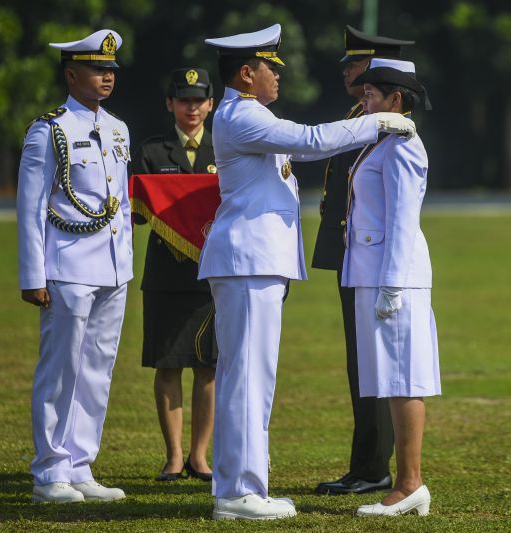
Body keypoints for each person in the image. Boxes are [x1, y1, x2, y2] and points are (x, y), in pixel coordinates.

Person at [198, 24, 417, 520]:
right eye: (271, 67)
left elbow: (303, 145)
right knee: (248, 379)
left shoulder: (252, 114)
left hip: (255, 263)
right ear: (247, 73)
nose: (279, 73)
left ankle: (245, 484)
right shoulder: (241, 115)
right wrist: (380, 122)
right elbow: (312, 139)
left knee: (252, 377)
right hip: (246, 261)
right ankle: (238, 493)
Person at [17, 29, 132, 503]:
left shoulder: (118, 128)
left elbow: (121, 204)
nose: (106, 77)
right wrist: (32, 275)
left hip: (111, 266)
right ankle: (50, 470)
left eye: (110, 70)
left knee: (97, 369)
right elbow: (30, 206)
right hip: (66, 264)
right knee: (61, 368)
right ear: (71, 74)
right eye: (96, 69)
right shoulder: (50, 129)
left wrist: (124, 260)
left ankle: (81, 463)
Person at [313, 25, 416, 497]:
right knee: (362, 366)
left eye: (357, 66)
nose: (349, 73)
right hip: (353, 253)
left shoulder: (388, 125)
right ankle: (366, 464)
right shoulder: (362, 115)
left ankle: (374, 466)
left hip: (372, 258)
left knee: (375, 366)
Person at [340, 58, 440, 517]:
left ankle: (409, 483)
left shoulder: (401, 145)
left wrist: (392, 285)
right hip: (373, 273)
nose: (364, 101)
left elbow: (403, 221)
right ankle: (407, 483)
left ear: (395, 100)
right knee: (390, 380)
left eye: (372, 95)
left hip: (391, 276)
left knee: (404, 379)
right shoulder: (379, 140)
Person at [131, 67, 217, 483]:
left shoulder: (226, 148)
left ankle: (200, 457)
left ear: (211, 104)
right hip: (165, 273)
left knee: (207, 365)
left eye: (199, 100)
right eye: (184, 100)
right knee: (167, 366)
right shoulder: (152, 151)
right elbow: (136, 215)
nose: (192, 108)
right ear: (170, 104)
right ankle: (173, 456)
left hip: (211, 275)